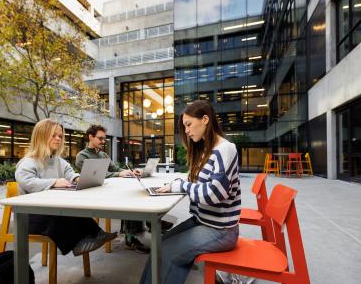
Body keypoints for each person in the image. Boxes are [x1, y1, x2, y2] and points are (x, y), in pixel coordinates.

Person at [139, 100, 240, 284]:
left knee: (168, 252)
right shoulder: (207, 150)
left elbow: (213, 194)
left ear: (205, 119)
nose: (186, 131)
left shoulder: (226, 149)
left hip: (221, 230)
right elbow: (194, 179)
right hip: (203, 221)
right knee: (158, 245)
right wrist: (176, 183)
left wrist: (179, 186)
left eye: (188, 124)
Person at [15, 119, 117, 256]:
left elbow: (70, 173)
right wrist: (54, 182)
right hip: (30, 217)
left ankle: (97, 234)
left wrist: (77, 178)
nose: (58, 139)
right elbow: (27, 181)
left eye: (60, 136)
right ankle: (77, 244)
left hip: (48, 211)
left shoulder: (59, 162)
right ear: (41, 136)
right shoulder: (28, 162)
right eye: (54, 135)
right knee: (59, 215)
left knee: (75, 210)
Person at [75, 124, 151, 254]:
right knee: (128, 198)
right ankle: (132, 236)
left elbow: (115, 169)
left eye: (104, 139)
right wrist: (118, 174)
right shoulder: (82, 156)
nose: (103, 142)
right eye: (100, 138)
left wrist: (130, 171)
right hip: (92, 194)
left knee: (132, 195)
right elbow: (95, 176)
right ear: (90, 137)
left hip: (107, 190)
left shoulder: (103, 155)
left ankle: (149, 223)